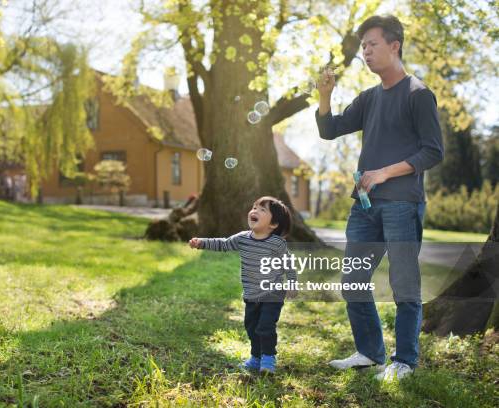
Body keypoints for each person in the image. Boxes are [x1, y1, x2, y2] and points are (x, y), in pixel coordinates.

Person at [315, 15, 444, 381]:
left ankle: (403, 361)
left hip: (403, 203)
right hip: (366, 207)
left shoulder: (419, 94)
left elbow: (433, 152)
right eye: (363, 47)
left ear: (394, 45)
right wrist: (325, 97)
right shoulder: (369, 99)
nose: (365, 52)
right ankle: (370, 353)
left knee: (404, 284)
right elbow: (330, 130)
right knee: (352, 281)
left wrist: (385, 172)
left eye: (371, 44)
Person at [189, 196, 296, 374]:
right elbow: (223, 244)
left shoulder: (277, 244)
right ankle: (255, 358)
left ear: (273, 224)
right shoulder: (243, 238)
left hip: (272, 294)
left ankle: (268, 358)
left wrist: (292, 282)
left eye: (262, 210)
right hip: (251, 294)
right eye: (254, 207)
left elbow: (289, 264)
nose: (254, 211)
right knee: (252, 326)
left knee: (265, 326)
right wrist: (202, 243)